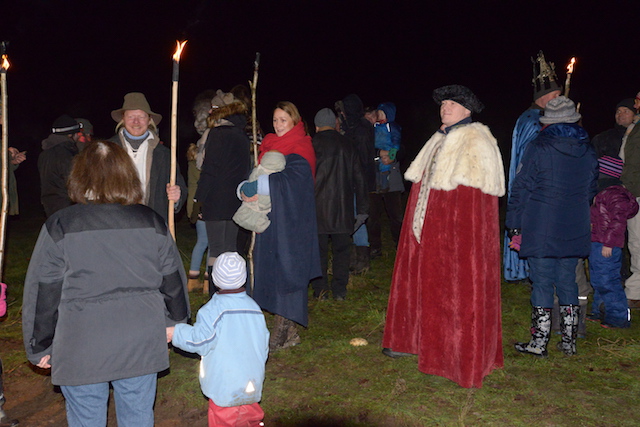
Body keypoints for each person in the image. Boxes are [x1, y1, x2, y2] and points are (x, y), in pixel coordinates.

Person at [22, 141, 190, 427]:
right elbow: (173, 280)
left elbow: (44, 291)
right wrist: (176, 321)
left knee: (87, 419)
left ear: (79, 177)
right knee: (137, 417)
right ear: (127, 175)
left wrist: (39, 345)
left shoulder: (61, 225)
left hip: (81, 344)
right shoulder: (151, 221)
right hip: (139, 340)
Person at [382, 85, 505, 388]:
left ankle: (457, 354)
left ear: (467, 110)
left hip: (455, 237)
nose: (445, 107)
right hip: (426, 229)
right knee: (420, 283)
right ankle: (413, 340)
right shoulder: (439, 138)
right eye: (443, 103)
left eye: (452, 103)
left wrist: (454, 237)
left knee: (456, 290)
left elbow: (473, 208)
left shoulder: (477, 141)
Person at [507, 96, 598, 357]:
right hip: (575, 224)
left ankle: (539, 342)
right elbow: (591, 188)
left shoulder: (539, 146)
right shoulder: (588, 149)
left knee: (543, 282)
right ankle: (569, 341)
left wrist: (514, 224)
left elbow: (521, 187)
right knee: (568, 280)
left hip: (541, 223)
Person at [240, 101, 321, 352]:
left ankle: (282, 331)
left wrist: (260, 186)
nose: (278, 125)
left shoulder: (300, 146)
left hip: (292, 224)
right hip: (272, 220)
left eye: (283, 120)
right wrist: (244, 188)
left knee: (288, 272)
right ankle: (288, 331)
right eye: (275, 120)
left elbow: (295, 183)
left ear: (294, 121)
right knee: (272, 271)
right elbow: (258, 174)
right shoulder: (270, 146)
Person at [168, 252, 269, 427]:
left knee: (224, 421)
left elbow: (200, 341)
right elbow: (264, 344)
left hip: (225, 385)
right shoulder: (254, 309)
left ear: (215, 279)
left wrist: (176, 333)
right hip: (251, 382)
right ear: (244, 277)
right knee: (250, 420)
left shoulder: (212, 311)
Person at [503, 51, 562, 282]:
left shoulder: (536, 117)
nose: (559, 99)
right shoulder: (534, 120)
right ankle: (530, 273)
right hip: (533, 189)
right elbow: (531, 159)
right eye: (555, 94)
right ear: (545, 96)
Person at [195, 90, 252, 295]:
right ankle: (239, 293)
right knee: (231, 250)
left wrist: (199, 200)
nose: (210, 111)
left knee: (217, 250)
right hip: (235, 202)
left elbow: (210, 169)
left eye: (214, 108)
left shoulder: (218, 134)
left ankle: (215, 296)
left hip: (216, 202)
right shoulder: (242, 135)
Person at [311, 108, 368, 301]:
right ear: (335, 124)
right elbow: (360, 179)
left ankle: (320, 290)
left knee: (318, 251)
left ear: (316, 126)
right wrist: (362, 209)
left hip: (316, 209)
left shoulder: (311, 145)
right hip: (342, 209)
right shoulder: (348, 145)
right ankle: (340, 291)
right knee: (342, 251)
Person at [109, 92, 187, 222]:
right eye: (131, 116)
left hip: (151, 223)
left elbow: (179, 186)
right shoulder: (108, 150)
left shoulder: (163, 154)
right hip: (115, 222)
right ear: (123, 119)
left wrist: (177, 197)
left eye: (141, 116)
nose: (136, 121)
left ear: (149, 119)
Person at [588, 183, 638, 328]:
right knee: (599, 279)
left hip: (606, 245)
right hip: (597, 241)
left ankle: (618, 317)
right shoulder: (603, 193)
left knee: (608, 281)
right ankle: (599, 310)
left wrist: (609, 243)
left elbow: (618, 221)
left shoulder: (615, 195)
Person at [339, 94, 376, 273]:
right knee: (352, 216)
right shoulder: (353, 127)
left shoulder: (360, 130)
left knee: (357, 217)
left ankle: (362, 259)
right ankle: (354, 257)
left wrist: (360, 181)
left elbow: (361, 159)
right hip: (352, 180)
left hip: (357, 181)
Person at [186, 90, 215, 293]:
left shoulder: (194, 151)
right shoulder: (206, 154)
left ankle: (193, 278)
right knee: (210, 242)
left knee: (202, 241)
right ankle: (207, 282)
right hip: (206, 203)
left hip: (197, 203)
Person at [368, 102, 404, 258]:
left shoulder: (393, 128)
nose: (378, 117)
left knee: (396, 215)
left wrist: (393, 154)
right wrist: (378, 154)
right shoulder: (370, 130)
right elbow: (364, 149)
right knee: (373, 216)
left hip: (392, 177)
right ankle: (375, 248)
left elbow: (401, 149)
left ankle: (401, 246)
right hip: (373, 178)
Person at [38, 114, 85, 216]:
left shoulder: (44, 153)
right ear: (70, 135)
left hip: (50, 205)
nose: (78, 136)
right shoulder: (66, 154)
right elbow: (74, 182)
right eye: (77, 133)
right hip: (67, 207)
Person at [619, 92, 640, 309]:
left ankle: (635, 292)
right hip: (633, 191)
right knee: (635, 242)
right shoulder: (634, 128)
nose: (635, 104)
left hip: (638, 191)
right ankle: (635, 290)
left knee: (638, 241)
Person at [233, 150, 286, 233]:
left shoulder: (262, 172)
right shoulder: (277, 177)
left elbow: (251, 187)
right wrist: (242, 190)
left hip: (269, 215)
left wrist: (244, 190)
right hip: (264, 210)